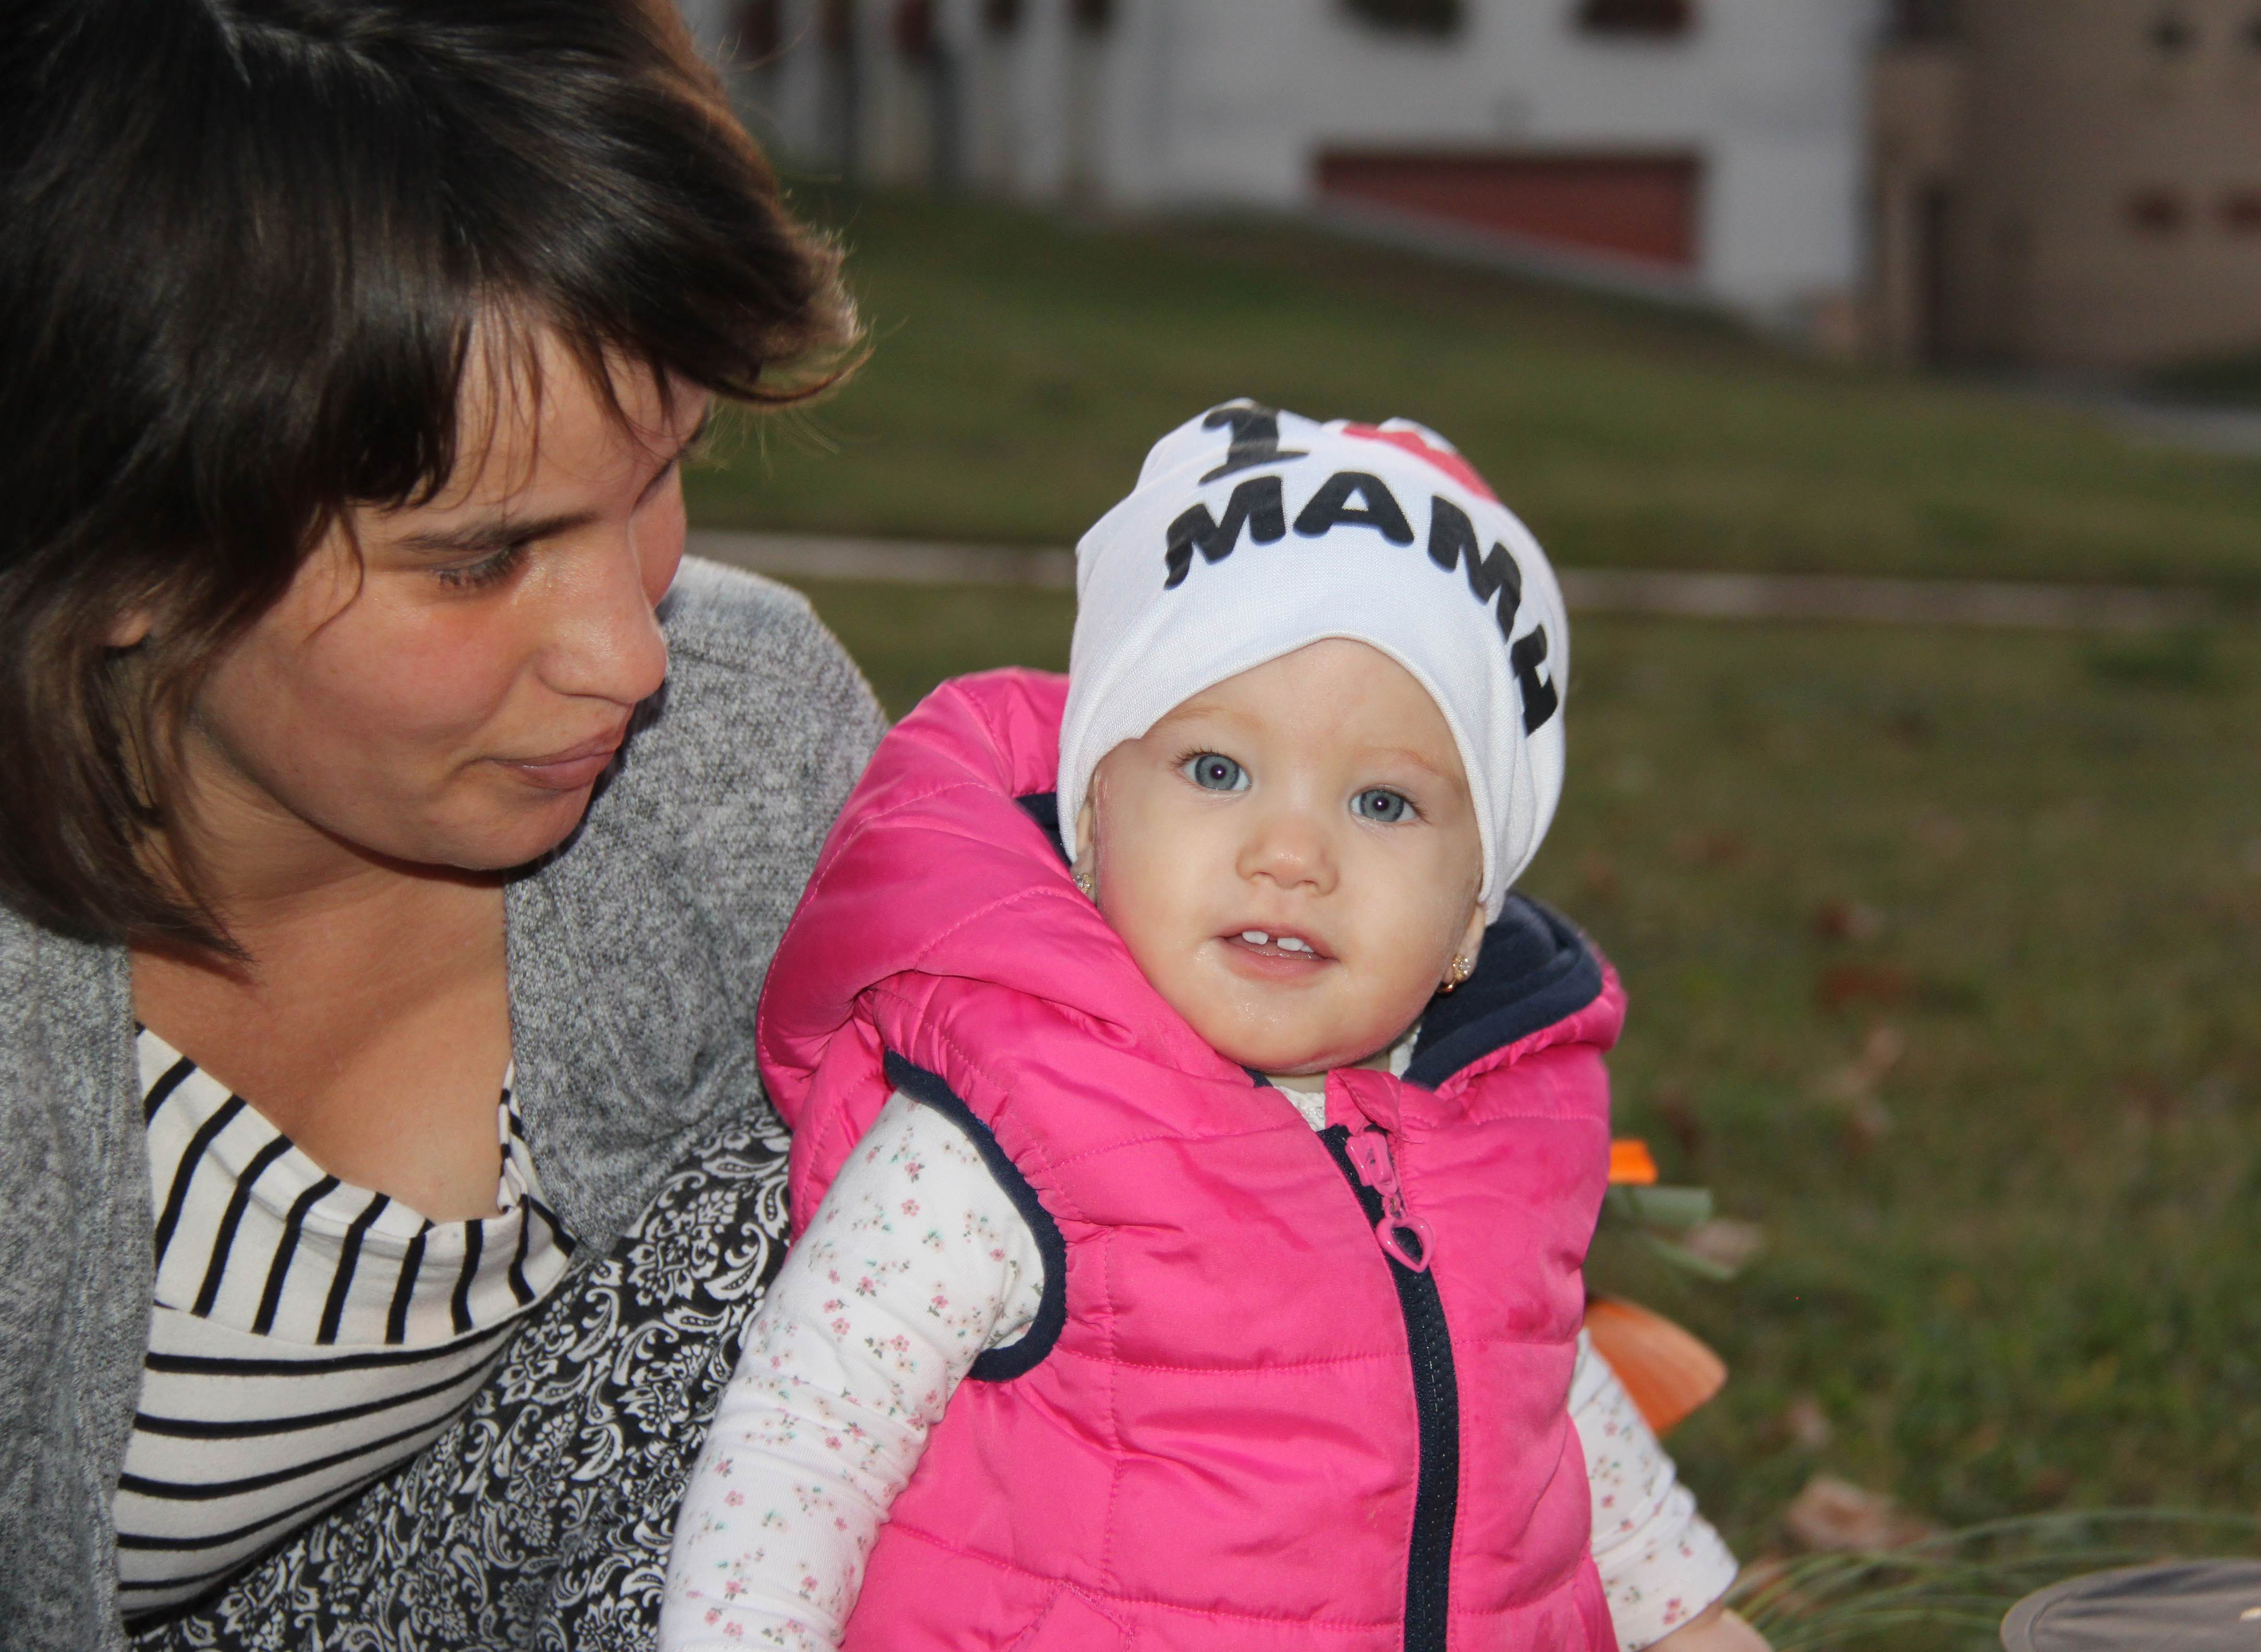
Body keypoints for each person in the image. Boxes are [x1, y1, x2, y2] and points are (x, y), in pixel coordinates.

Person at [0, 3, 886, 1647]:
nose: (631, 654)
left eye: (661, 474)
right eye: (481, 560)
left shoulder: (741, 751)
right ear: (117, 549)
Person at [662, 405, 1769, 1650]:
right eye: (1217, 771)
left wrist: (1686, 1616)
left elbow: (1537, 1391)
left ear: (1471, 915)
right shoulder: (999, 1133)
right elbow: (801, 1441)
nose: (1290, 853)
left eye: (1382, 802)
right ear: (1093, 823)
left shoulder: (1503, 1126)